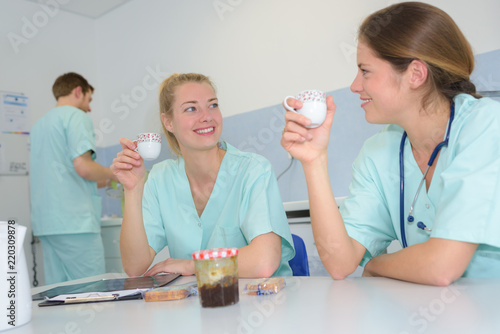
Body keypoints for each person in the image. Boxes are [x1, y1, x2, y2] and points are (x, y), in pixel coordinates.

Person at [281, 2, 500, 286]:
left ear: (415, 74)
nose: (354, 85)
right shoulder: (379, 151)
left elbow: (441, 266)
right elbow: (339, 262)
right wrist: (313, 161)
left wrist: (376, 265)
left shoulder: (485, 126)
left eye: (365, 71)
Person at [111, 73, 294, 278]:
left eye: (213, 105)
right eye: (191, 108)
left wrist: (192, 266)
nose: (207, 116)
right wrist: (133, 189)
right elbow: (135, 267)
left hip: (264, 303)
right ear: (168, 122)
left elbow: (263, 262)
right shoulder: (160, 179)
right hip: (199, 304)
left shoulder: (253, 170)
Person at [30, 72, 118, 284]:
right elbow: (84, 168)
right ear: (78, 91)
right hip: (75, 224)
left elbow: (67, 175)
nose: (89, 108)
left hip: (47, 225)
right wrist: (114, 173)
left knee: (58, 294)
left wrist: (105, 179)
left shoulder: (39, 125)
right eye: (89, 100)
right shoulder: (77, 117)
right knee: (91, 290)